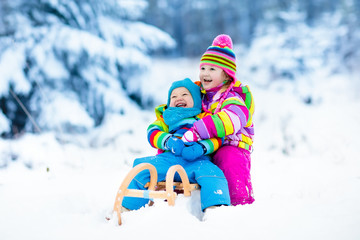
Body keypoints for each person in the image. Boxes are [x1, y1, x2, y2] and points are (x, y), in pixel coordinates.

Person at [121, 78, 230, 212]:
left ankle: (216, 208)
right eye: (174, 96)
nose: (179, 98)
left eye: (185, 95)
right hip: (167, 160)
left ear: (196, 100)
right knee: (143, 169)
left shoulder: (204, 118)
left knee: (213, 174)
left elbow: (217, 138)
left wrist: (200, 148)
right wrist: (168, 141)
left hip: (196, 161)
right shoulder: (166, 119)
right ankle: (127, 209)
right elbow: (152, 132)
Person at [182, 34, 255, 206]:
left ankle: (239, 201)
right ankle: (178, 197)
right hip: (208, 145)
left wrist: (199, 129)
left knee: (228, 159)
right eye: (203, 68)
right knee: (186, 157)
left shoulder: (233, 97)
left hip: (232, 145)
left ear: (227, 75)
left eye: (212, 69)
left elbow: (232, 118)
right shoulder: (199, 96)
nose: (205, 74)